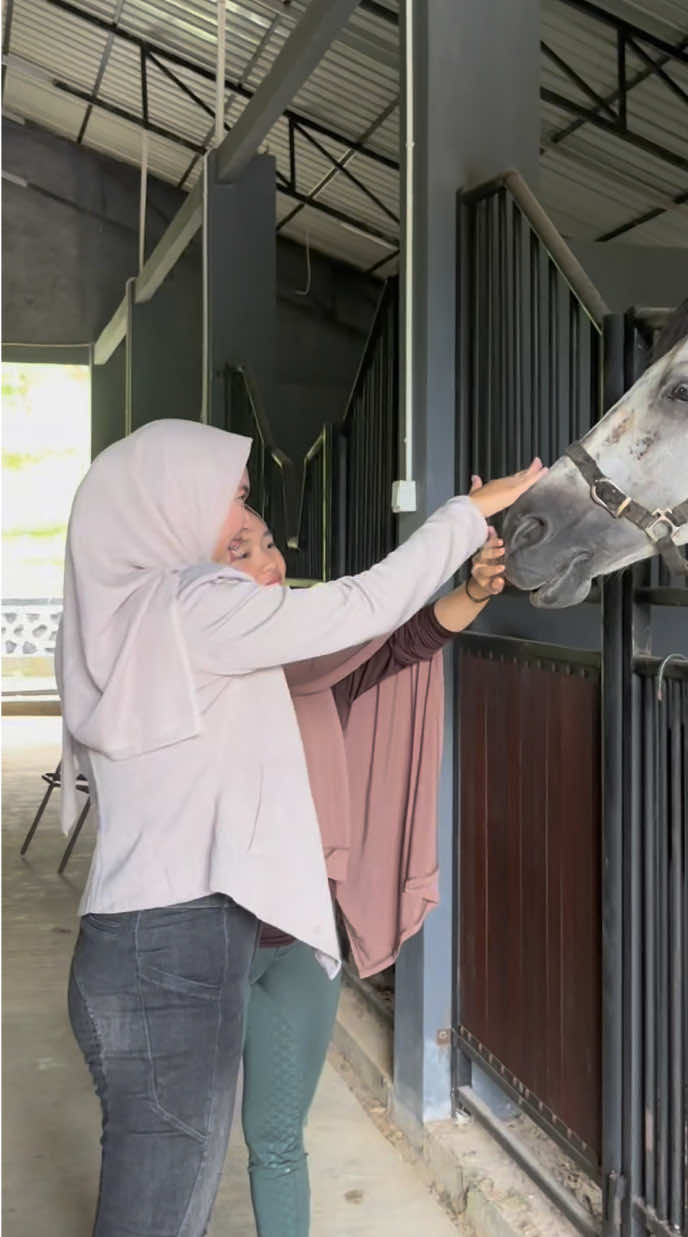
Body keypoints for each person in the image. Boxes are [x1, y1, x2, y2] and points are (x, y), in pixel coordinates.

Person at [57, 418, 544, 1237]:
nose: (253, 532)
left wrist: (457, 589)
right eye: (233, 506)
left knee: (164, 1199)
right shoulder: (195, 606)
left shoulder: (128, 621)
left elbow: (369, 645)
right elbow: (363, 607)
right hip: (179, 943)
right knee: (163, 1209)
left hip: (134, 943)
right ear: (168, 509)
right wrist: (463, 514)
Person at [223, 507, 505, 1236]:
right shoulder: (195, 666)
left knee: (278, 1140)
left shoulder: (314, 663)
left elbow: (396, 644)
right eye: (240, 550)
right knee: (178, 1143)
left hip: (296, 941)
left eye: (271, 541)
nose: (271, 560)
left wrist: (471, 589)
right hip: (203, 938)